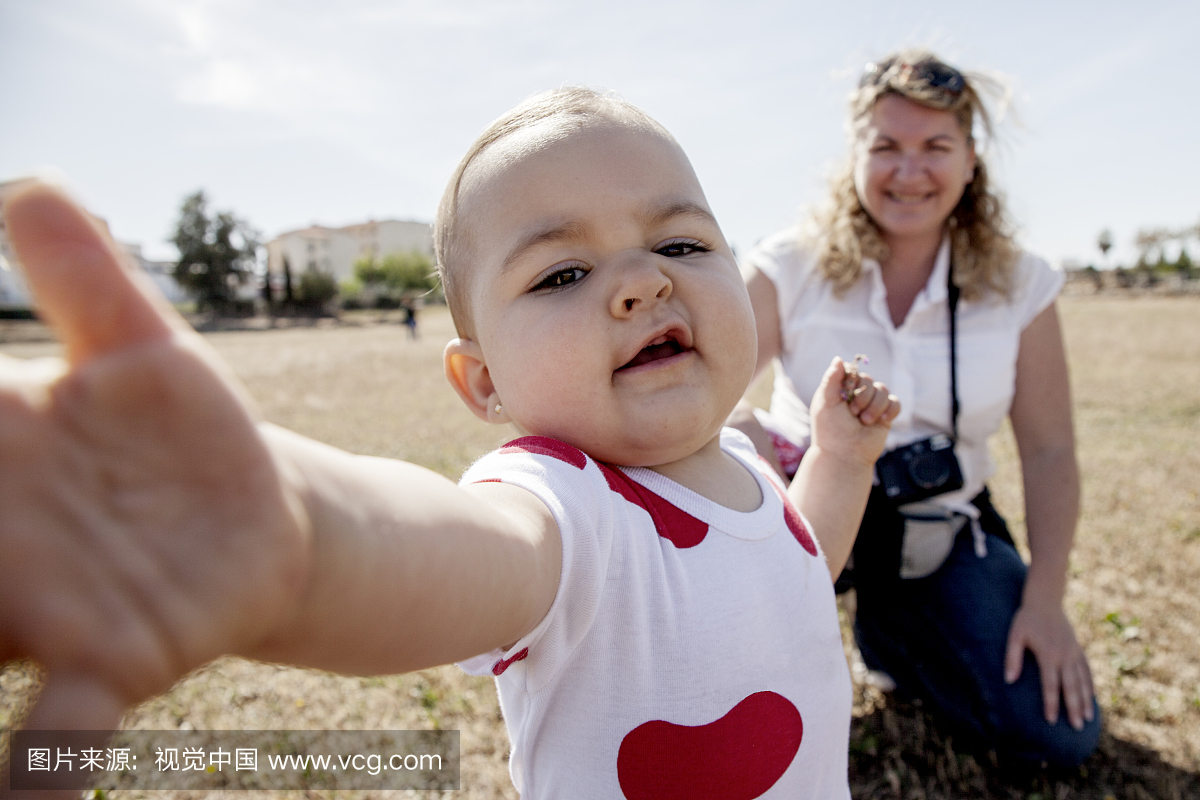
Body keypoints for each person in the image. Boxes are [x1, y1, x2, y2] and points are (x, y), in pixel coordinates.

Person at [0, 89, 899, 798]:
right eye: (564, 272)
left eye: (680, 240)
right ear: (486, 384)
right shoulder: (567, 504)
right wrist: (307, 534)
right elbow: (462, 555)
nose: (640, 280)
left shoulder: (744, 462)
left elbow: (792, 573)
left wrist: (840, 463)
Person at [728, 51, 1101, 768]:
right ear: (855, 156)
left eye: (935, 148)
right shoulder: (789, 264)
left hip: (941, 522)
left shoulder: (1023, 284)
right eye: (886, 148)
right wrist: (740, 434)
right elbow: (699, 390)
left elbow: (1050, 450)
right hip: (800, 511)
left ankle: (895, 630)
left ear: (970, 162)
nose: (909, 172)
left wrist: (1045, 601)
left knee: (1057, 737)